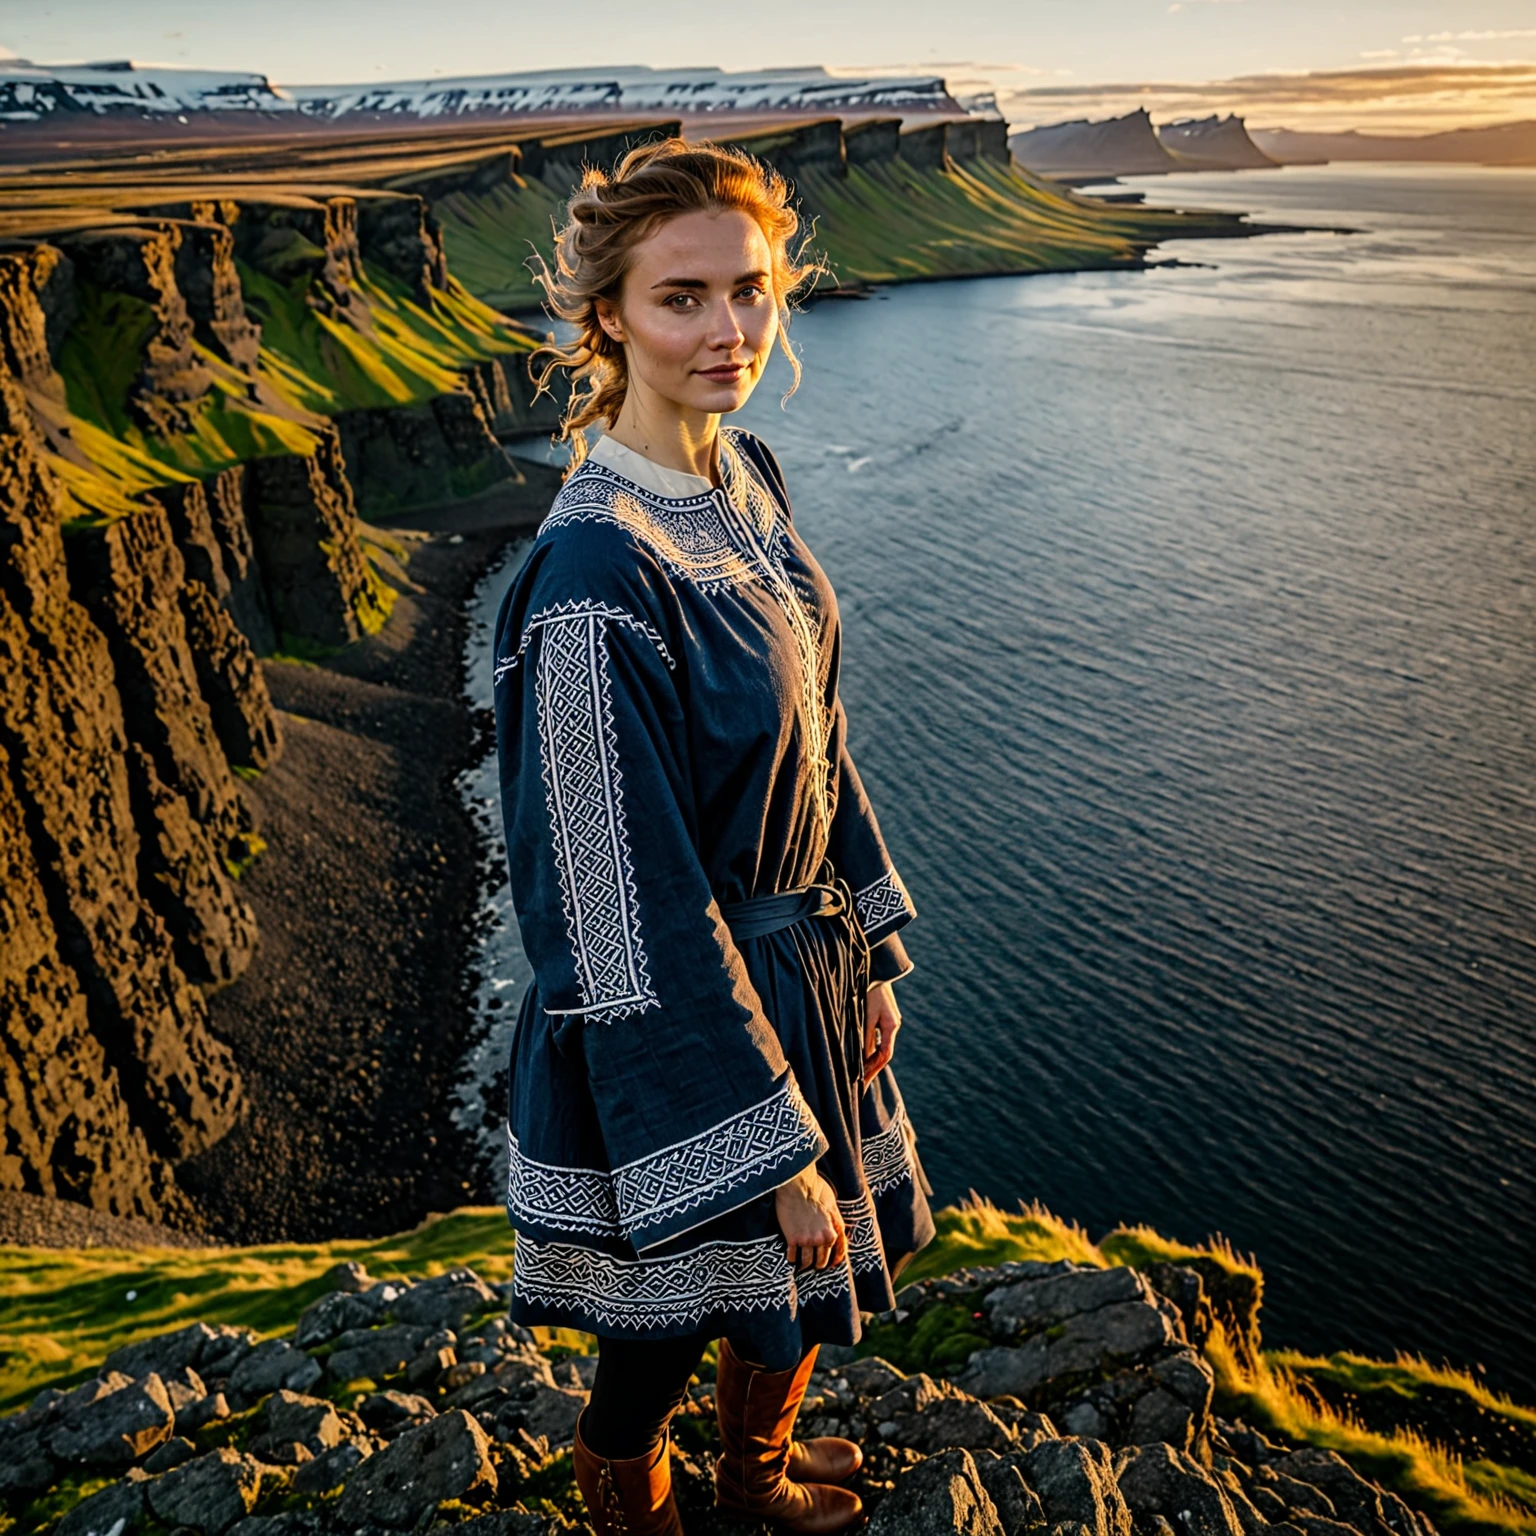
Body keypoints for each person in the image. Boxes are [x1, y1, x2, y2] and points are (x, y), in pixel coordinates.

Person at [491, 137, 934, 1536]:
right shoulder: (588, 581)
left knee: (784, 1285)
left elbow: (816, 732)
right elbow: (612, 909)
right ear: (609, 315)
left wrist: (861, 948)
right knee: (675, 1301)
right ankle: (628, 1490)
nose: (730, 329)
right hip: (679, 1016)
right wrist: (764, 1140)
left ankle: (751, 1475)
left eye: (750, 289)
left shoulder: (746, 480)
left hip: (796, 966)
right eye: (684, 298)